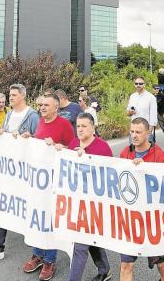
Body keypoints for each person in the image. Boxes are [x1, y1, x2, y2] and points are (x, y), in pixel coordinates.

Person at [0, 84, 39, 267]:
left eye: (13, 95)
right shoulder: (10, 114)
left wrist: (27, 137)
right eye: (10, 95)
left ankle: (39, 252)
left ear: (23, 96)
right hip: (8, 169)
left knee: (28, 208)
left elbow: (39, 140)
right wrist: (1, 133)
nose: (9, 98)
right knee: (2, 204)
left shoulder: (33, 116)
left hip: (25, 173)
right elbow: (6, 135)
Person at [21, 93, 75, 280]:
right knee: (39, 217)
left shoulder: (64, 125)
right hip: (39, 182)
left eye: (46, 105)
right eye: (41, 104)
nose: (42, 107)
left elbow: (73, 150)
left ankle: (49, 260)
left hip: (55, 182)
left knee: (50, 220)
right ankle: (38, 254)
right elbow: (39, 145)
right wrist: (30, 138)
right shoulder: (40, 122)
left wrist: (60, 147)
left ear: (56, 108)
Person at [53, 113, 113, 281]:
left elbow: (109, 177)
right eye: (78, 126)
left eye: (84, 126)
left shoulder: (103, 148)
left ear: (93, 128)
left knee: (79, 246)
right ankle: (105, 269)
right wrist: (61, 150)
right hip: (75, 203)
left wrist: (86, 159)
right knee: (90, 240)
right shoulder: (73, 143)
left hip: (93, 205)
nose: (79, 129)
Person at [119, 118, 164, 281]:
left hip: (152, 220)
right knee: (126, 265)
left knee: (160, 262)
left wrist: (145, 170)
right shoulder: (124, 153)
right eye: (132, 131)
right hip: (130, 220)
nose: (134, 135)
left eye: (138, 132)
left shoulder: (160, 155)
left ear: (148, 133)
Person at [126, 77, 157, 142]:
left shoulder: (151, 97)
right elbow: (127, 113)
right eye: (136, 83)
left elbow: (153, 117)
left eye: (140, 83)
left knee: (147, 151)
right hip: (134, 130)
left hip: (145, 131)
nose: (138, 85)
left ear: (144, 84)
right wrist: (130, 112)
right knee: (133, 151)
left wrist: (149, 133)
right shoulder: (132, 96)